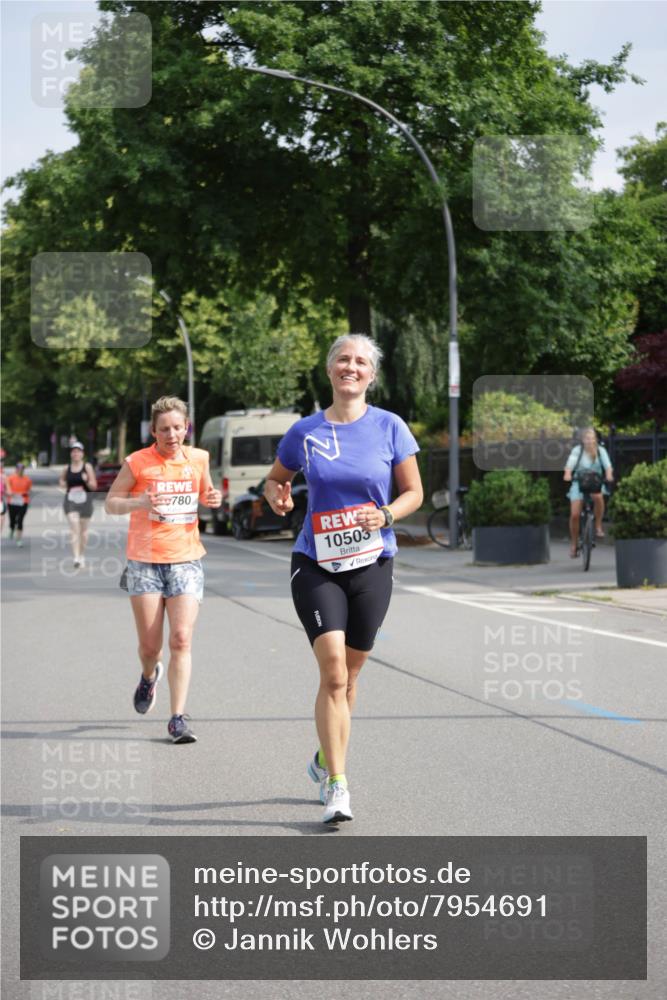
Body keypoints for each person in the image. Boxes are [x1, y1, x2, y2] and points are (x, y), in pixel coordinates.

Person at [264, 334, 423, 823]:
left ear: (371, 375)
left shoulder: (390, 427)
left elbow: (414, 492)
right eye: (342, 359)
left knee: (351, 677)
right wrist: (279, 496)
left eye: (360, 362)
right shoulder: (305, 432)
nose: (350, 367)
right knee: (333, 672)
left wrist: (387, 515)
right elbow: (276, 479)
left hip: (373, 562)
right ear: (330, 369)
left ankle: (322, 756)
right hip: (315, 563)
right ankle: (338, 783)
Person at [105, 396, 222, 744]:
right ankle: (147, 675)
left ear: (187, 427)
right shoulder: (138, 462)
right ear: (153, 432)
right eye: (165, 429)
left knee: (181, 639)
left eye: (178, 427)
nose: (172, 434)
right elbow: (111, 502)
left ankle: (177, 718)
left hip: (186, 558)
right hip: (145, 561)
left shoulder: (199, 458)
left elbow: (206, 492)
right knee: (150, 647)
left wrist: (212, 499)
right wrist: (138, 501)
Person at [563, 428, 614, 557]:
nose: (589, 441)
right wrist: (568, 474)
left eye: (592, 438)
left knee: (598, 496)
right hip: (578, 482)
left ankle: (597, 525)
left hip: (595, 482)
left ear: (595, 439)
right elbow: (570, 464)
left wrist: (608, 475)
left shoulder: (600, 451)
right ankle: (574, 544)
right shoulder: (577, 450)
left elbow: (607, 466)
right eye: (587, 438)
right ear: (583, 440)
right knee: (574, 514)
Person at [59, 442, 98, 568]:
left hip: (85, 501)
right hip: (71, 501)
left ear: (82, 453)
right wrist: (63, 485)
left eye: (78, 451)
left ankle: (81, 555)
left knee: (84, 532)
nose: (76, 453)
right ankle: (76, 557)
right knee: (74, 528)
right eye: (73, 451)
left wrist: (86, 480)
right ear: (71, 454)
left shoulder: (87, 467)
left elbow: (94, 486)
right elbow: (62, 481)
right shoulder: (67, 468)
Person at [7, 462, 33, 547]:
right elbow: (8, 490)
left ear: (23, 470)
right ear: (16, 469)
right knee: (12, 519)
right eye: (18, 469)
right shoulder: (10, 478)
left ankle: (19, 539)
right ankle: (11, 528)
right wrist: (10, 493)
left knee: (20, 520)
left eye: (22, 469)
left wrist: (26, 493)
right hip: (12, 502)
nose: (20, 470)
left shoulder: (27, 479)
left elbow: (29, 490)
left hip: (23, 501)